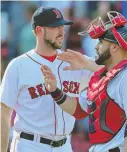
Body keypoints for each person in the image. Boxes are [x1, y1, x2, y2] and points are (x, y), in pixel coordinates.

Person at [41, 11, 127, 152]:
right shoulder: (100, 77)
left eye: (101, 43)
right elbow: (79, 110)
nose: (96, 47)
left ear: (115, 47)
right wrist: (54, 90)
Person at [0, 6, 97, 152]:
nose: (61, 32)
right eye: (55, 27)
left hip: (64, 145)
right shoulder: (18, 66)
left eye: (62, 26)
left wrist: (88, 64)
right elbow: (4, 113)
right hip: (30, 144)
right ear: (39, 30)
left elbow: (115, 72)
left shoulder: (75, 61)